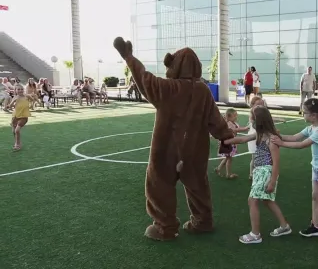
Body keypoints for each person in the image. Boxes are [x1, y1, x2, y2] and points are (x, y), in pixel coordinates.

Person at [113, 37, 235, 240]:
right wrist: (226, 137)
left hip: (166, 149)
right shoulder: (203, 91)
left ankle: (165, 228)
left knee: (159, 184)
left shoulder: (168, 88)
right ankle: (203, 222)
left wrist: (129, 57)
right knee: (198, 186)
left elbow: (144, 79)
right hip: (195, 150)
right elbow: (215, 119)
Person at [271, 98, 318, 237]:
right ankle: (315, 226)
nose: (303, 114)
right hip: (317, 166)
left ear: (314, 115)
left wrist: (280, 143)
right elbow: (295, 137)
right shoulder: (311, 128)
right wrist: (278, 135)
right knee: (315, 196)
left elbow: (301, 145)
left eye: (305, 112)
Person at [224, 105, 292, 244]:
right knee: (267, 201)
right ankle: (284, 226)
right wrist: (226, 141)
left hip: (266, 171)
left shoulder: (271, 139)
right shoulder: (260, 134)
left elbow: (276, 162)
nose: (250, 122)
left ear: (259, 120)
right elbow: (243, 139)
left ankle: (255, 235)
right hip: (259, 170)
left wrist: (272, 181)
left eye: (252, 119)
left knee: (252, 200)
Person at [215, 108, 249, 179]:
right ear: (229, 117)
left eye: (236, 115)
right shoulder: (229, 123)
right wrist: (245, 128)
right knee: (229, 159)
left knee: (228, 157)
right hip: (229, 144)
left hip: (230, 143)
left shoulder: (232, 122)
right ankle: (228, 174)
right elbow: (236, 129)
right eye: (235, 115)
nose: (236, 116)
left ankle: (218, 168)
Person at [8, 84, 31, 151]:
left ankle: (18, 144)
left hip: (24, 116)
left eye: (21, 89)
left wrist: (34, 102)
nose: (20, 90)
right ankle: (17, 142)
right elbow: (10, 106)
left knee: (17, 130)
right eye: (18, 89)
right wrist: (13, 100)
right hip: (15, 116)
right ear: (15, 90)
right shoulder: (15, 97)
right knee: (14, 131)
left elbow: (33, 99)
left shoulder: (26, 96)